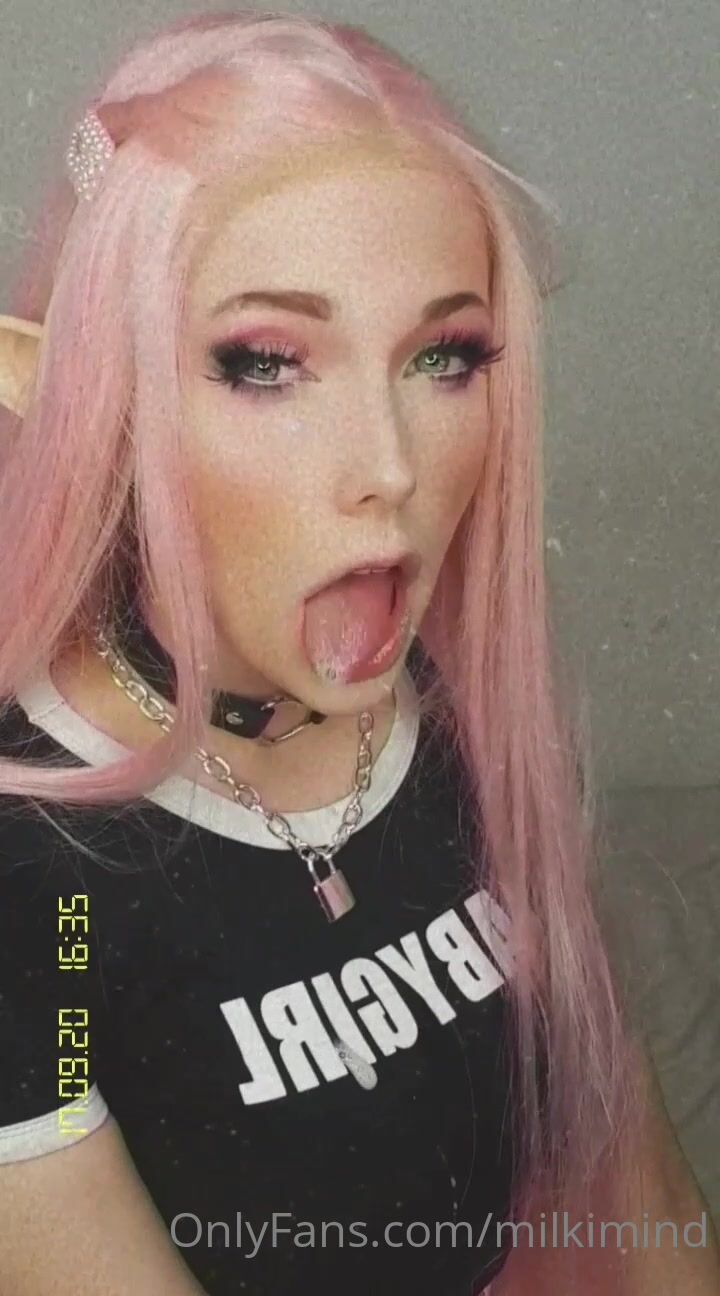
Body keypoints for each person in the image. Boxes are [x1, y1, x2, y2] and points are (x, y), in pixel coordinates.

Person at [0, 10, 717, 1296]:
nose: (390, 467)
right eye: (267, 363)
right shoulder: (35, 880)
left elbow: (644, 1195)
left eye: (445, 357)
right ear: (88, 400)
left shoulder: (453, 704)